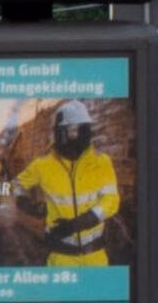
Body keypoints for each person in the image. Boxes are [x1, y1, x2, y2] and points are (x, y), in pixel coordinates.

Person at [15, 102, 120, 267]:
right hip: (60, 258)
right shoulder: (43, 166)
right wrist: (27, 204)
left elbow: (111, 202)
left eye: (83, 129)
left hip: (96, 257)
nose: (80, 135)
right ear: (62, 134)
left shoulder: (102, 163)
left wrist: (77, 224)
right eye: (73, 130)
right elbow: (15, 185)